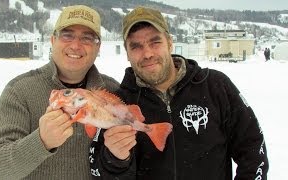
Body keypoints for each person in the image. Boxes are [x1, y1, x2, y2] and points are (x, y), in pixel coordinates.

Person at [89, 6, 269, 180]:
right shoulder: (118, 103)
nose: (147, 54)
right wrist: (115, 159)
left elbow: (253, 149)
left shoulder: (215, 86)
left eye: (155, 42)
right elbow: (99, 172)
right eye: (136, 46)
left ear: (169, 42)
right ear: (127, 53)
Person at [0, 5, 119, 180]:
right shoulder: (19, 90)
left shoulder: (113, 91)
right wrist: (41, 141)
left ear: (98, 46)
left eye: (87, 38)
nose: (75, 45)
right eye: (67, 35)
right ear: (52, 40)